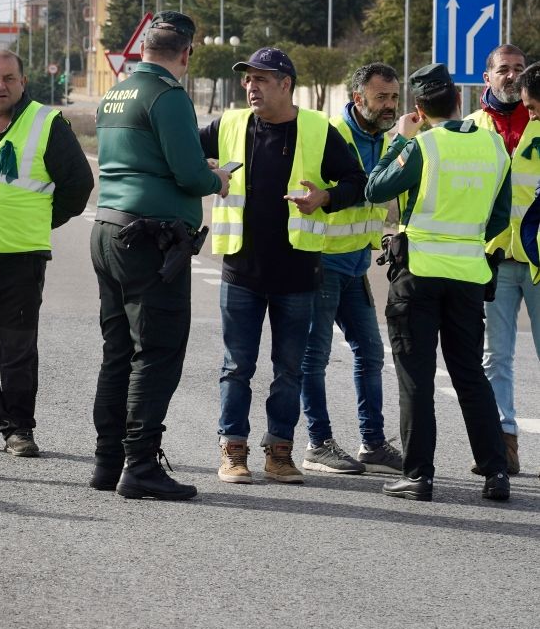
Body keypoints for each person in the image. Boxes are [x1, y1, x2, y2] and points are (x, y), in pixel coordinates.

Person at [202, 48, 367, 484]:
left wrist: (324, 198)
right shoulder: (229, 124)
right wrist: (203, 170)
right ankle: (233, 451)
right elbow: (185, 156)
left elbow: (357, 182)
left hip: (297, 273)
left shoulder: (319, 128)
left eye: (261, 79)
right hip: (241, 269)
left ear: (285, 84)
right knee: (237, 366)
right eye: (247, 79)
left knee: (288, 370)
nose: (250, 87)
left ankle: (279, 453)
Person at [91, 12, 229, 500]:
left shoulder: (117, 92)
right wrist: (218, 179)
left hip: (110, 228)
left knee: (119, 351)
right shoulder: (168, 96)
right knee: (158, 350)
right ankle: (140, 464)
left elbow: (148, 159)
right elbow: (190, 176)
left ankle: (108, 461)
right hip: (149, 239)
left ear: (142, 50)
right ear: (185, 54)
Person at [365, 63, 511, 502]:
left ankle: (419, 475)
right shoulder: (494, 147)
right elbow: (500, 218)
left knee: (416, 378)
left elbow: (376, 187)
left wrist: (401, 140)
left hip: (419, 277)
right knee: (470, 375)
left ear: (419, 109)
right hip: (469, 275)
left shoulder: (423, 146)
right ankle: (495, 473)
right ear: (460, 102)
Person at [0, 49, 93, 458]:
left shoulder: (47, 123)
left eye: (9, 78)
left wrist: (37, 220)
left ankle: (18, 429)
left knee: (18, 352)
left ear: (23, 82)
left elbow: (78, 187)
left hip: (19, 259)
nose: (0, 86)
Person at [296, 63, 406, 476]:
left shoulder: (385, 139)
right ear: (358, 98)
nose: (389, 105)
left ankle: (373, 444)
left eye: (394, 97)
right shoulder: (331, 136)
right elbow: (349, 190)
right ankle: (318, 443)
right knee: (314, 358)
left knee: (371, 353)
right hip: (323, 263)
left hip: (356, 264)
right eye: (381, 97)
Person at [467, 44, 533, 474]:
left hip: (538, 260)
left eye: (519, 69)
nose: (511, 76)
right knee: (496, 357)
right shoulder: (471, 128)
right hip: (492, 259)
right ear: (486, 79)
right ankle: (504, 442)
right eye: (503, 70)